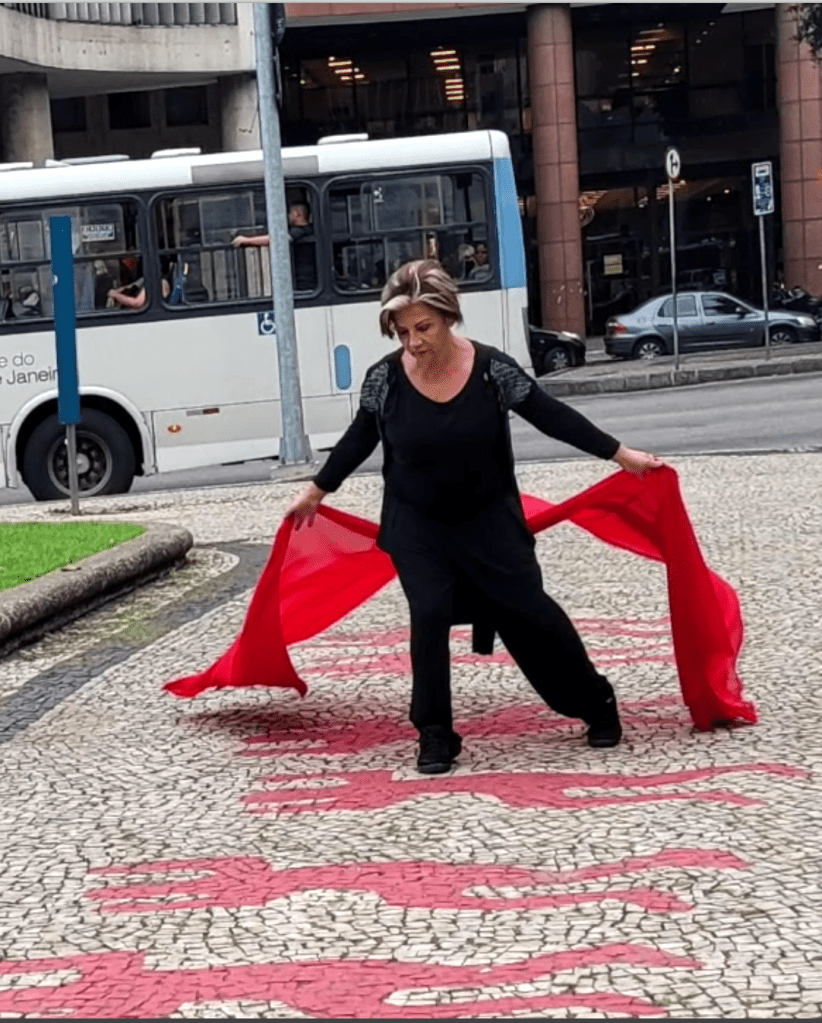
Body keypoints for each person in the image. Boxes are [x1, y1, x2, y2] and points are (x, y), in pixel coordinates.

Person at [286, 260, 664, 775]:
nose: (414, 342)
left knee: (529, 614)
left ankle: (595, 701)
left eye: (424, 327)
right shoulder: (385, 379)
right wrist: (317, 490)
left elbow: (551, 415)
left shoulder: (491, 370)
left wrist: (619, 454)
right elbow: (360, 437)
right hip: (417, 524)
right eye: (402, 332)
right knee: (429, 612)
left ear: (449, 317)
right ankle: (435, 732)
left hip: (489, 521)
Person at [232, 202, 317, 290]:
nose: (288, 216)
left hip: (305, 281)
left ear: (297, 213)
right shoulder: (307, 230)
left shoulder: (304, 231)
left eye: (290, 212)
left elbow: (277, 240)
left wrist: (246, 240)